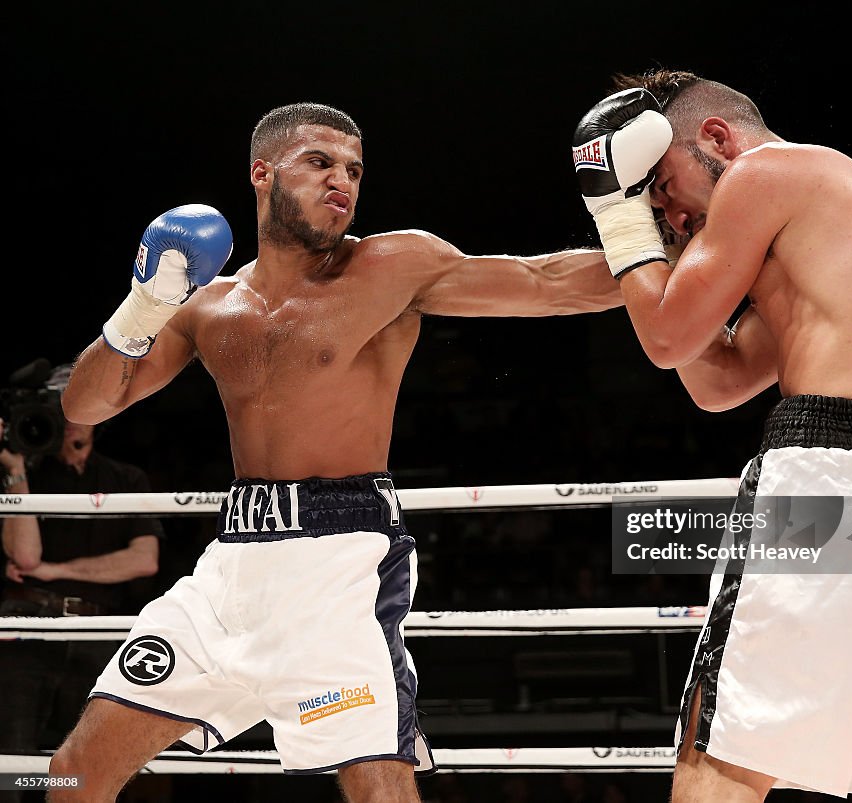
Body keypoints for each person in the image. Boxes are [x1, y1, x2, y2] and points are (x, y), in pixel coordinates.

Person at [46, 102, 622, 803]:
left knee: (378, 789)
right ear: (262, 173)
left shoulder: (390, 266)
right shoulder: (207, 304)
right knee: (73, 774)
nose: (341, 181)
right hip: (231, 567)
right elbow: (87, 404)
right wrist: (143, 302)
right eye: (319, 163)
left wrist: (687, 252)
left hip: (341, 560)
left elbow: (548, 284)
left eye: (353, 169)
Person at [571, 70, 852, 801]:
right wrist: (666, 264)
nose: (670, 217)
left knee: (723, 748)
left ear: (714, 137)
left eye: (665, 188)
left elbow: (669, 336)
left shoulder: (762, 172)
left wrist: (615, 216)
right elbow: (720, 378)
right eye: (652, 207)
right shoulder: (834, 210)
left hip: (833, 477)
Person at [0, 366, 164, 800]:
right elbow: (26, 556)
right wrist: (15, 469)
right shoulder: (25, 474)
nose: (70, 414)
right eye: (59, 404)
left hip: (98, 631)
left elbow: (144, 560)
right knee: (13, 757)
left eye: (78, 403)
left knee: (95, 756)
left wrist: (55, 571)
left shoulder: (126, 479)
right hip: (28, 623)